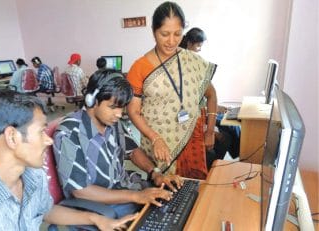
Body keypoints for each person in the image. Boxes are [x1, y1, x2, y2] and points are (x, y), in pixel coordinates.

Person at [0, 89, 137, 230]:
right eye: (41, 131)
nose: (49, 140)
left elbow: (45, 210)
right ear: (12, 137)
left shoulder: (34, 175)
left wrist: (97, 219)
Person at [53, 69, 182, 219]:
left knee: (172, 204)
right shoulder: (69, 134)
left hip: (126, 188)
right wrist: (135, 196)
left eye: (122, 107)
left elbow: (133, 151)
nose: (119, 114)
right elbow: (80, 191)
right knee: (162, 219)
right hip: (99, 205)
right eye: (113, 107)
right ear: (92, 100)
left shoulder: (112, 123)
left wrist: (155, 173)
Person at [126, 1, 218, 180]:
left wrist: (210, 131)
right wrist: (155, 139)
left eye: (177, 34)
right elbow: (133, 111)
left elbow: (211, 94)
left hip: (193, 138)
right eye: (164, 34)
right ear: (154, 32)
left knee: (195, 190)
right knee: (165, 196)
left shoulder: (192, 61)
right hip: (159, 144)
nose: (171, 41)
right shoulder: (140, 67)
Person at [179, 27, 240, 162]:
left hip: (198, 115)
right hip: (187, 121)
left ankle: (216, 169)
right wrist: (206, 129)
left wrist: (213, 112)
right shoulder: (180, 67)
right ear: (189, 44)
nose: (199, 51)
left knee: (230, 130)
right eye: (198, 47)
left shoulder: (194, 66)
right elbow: (181, 112)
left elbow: (209, 94)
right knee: (225, 137)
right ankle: (212, 172)